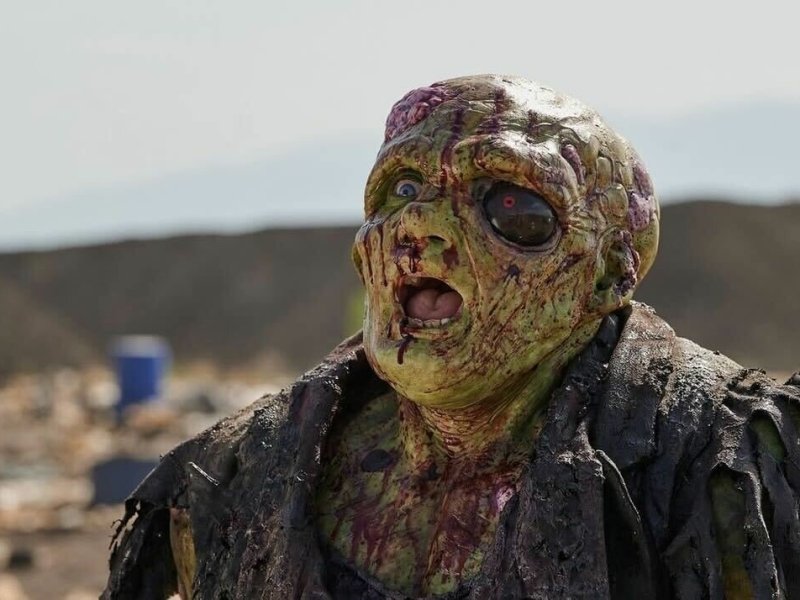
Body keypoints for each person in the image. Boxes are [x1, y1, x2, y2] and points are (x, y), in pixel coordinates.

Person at [103, 75, 800, 599]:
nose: (419, 226)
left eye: (511, 205)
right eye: (403, 190)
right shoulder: (235, 475)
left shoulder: (727, 462)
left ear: (606, 274)